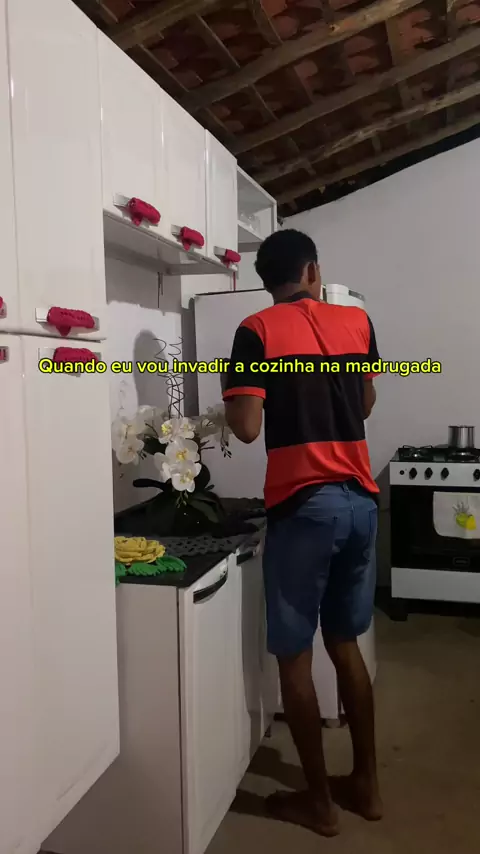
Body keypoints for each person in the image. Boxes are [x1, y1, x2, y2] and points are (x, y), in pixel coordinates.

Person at [222, 229, 382, 837]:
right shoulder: (357, 323)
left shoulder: (255, 330)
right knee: (345, 643)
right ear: (312, 271)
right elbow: (364, 404)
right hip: (361, 502)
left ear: (266, 281)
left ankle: (319, 804)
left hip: (304, 506)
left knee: (295, 657)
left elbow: (245, 426)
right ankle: (366, 786)